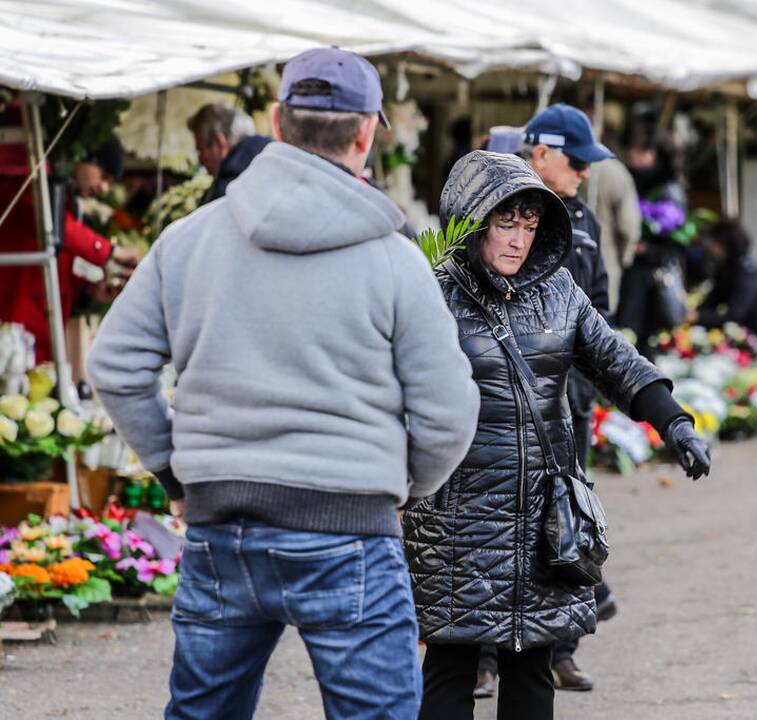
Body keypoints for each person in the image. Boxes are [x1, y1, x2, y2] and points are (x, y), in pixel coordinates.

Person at [87, 48, 480, 720]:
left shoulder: (189, 240)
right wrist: (402, 489)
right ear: (365, 134)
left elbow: (114, 367)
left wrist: (178, 475)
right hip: (351, 524)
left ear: (274, 122)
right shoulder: (394, 260)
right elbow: (447, 413)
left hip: (221, 527)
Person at [403, 149, 711, 720]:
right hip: (455, 513)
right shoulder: (431, 293)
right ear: (471, 220)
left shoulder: (561, 291)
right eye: (504, 223)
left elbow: (617, 360)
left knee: (532, 663)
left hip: (544, 514)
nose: (518, 240)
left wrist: (674, 420)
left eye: (529, 224)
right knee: (450, 663)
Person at [519, 103, 615, 692]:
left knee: (567, 523)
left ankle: (560, 648)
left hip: (568, 404)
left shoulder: (583, 221)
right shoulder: (504, 215)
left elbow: (600, 306)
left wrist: (587, 382)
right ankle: (481, 654)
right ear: (543, 153)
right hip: (507, 405)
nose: (583, 172)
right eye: (576, 161)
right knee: (496, 522)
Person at [0, 134, 139, 362]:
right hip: (15, 328)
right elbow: (53, 225)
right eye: (103, 176)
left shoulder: (66, 200)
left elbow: (59, 262)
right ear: (82, 159)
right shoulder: (29, 182)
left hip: (42, 333)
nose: (103, 188)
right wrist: (111, 252)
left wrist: (88, 291)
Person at [686, 220, 757, 339]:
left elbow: (734, 315)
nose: (711, 248)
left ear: (728, 245)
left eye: (715, 243)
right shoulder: (727, 269)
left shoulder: (748, 274)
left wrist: (698, 317)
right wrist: (695, 313)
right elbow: (713, 299)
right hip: (740, 337)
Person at [187, 103, 272, 204]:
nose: (201, 161)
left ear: (220, 143)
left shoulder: (224, 194)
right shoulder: (280, 159)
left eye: (201, 151)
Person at [585, 157, 642, 310]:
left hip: (567, 268)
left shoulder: (564, 163)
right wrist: (625, 259)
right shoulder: (616, 172)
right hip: (606, 262)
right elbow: (628, 227)